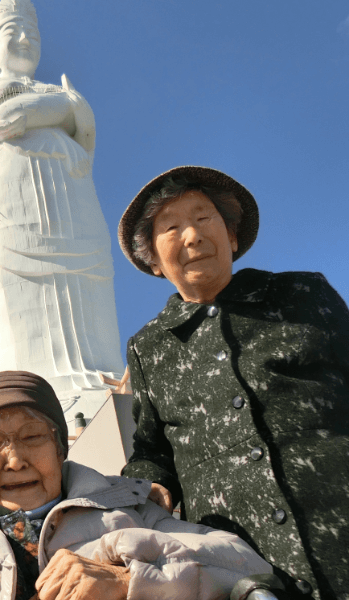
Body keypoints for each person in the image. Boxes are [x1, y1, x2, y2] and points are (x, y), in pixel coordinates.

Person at [117, 166, 349, 598]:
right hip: (245, 571)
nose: (192, 236)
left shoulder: (302, 295)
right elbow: (152, 450)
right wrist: (145, 486)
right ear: (153, 260)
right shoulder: (149, 347)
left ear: (233, 236)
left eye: (204, 218)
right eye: (171, 227)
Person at [0, 370, 272, 600]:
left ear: (60, 447)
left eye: (33, 436)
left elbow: (242, 563)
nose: (15, 460)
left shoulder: (128, 507)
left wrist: (126, 576)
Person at [0, 0, 123, 394]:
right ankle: (26, 384)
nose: (25, 39)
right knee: (17, 280)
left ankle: (98, 375)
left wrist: (45, 110)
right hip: (12, 191)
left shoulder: (56, 89)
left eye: (34, 34)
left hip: (71, 190)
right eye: (14, 32)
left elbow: (86, 134)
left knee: (87, 282)